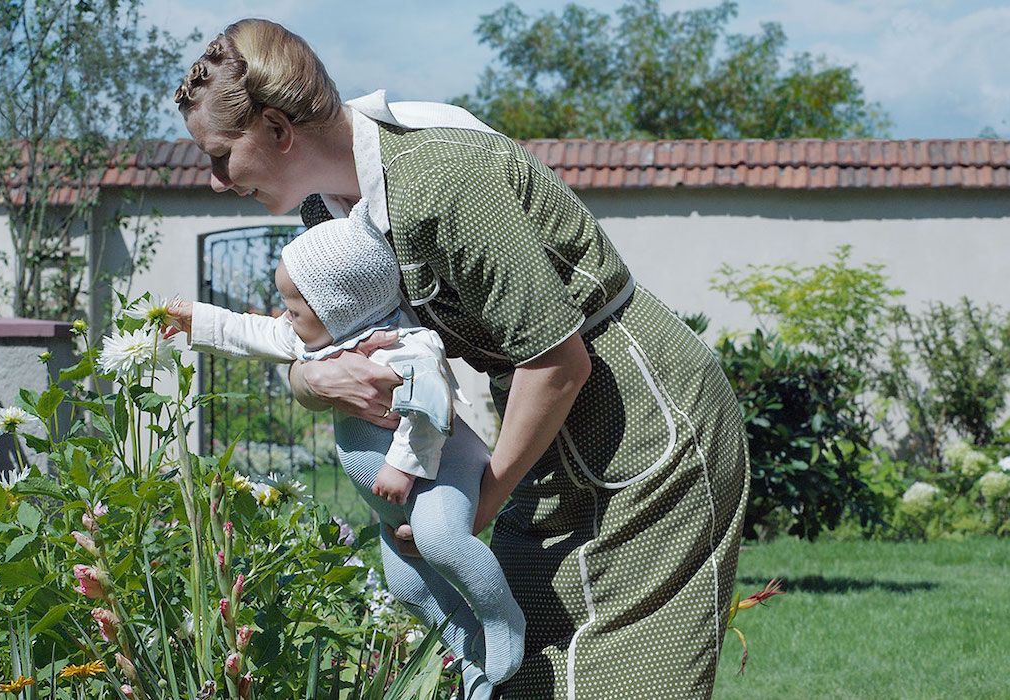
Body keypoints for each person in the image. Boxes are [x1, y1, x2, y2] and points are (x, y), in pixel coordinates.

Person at [166, 18, 750, 698]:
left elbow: (559, 363)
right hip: (544, 431)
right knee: (525, 671)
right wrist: (310, 381)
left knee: (630, 680)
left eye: (219, 154)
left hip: (648, 426)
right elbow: (324, 344)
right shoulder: (327, 217)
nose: (213, 180)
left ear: (276, 128)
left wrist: (478, 508)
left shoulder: (442, 182)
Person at [172, 202, 525, 695]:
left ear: (337, 307)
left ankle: (503, 620)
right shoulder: (319, 339)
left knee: (444, 542)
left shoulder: (406, 346)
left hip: (439, 472)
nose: (284, 318)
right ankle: (468, 644)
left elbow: (432, 408)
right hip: (392, 502)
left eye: (294, 309)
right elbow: (250, 330)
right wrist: (195, 321)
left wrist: (402, 468)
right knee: (407, 587)